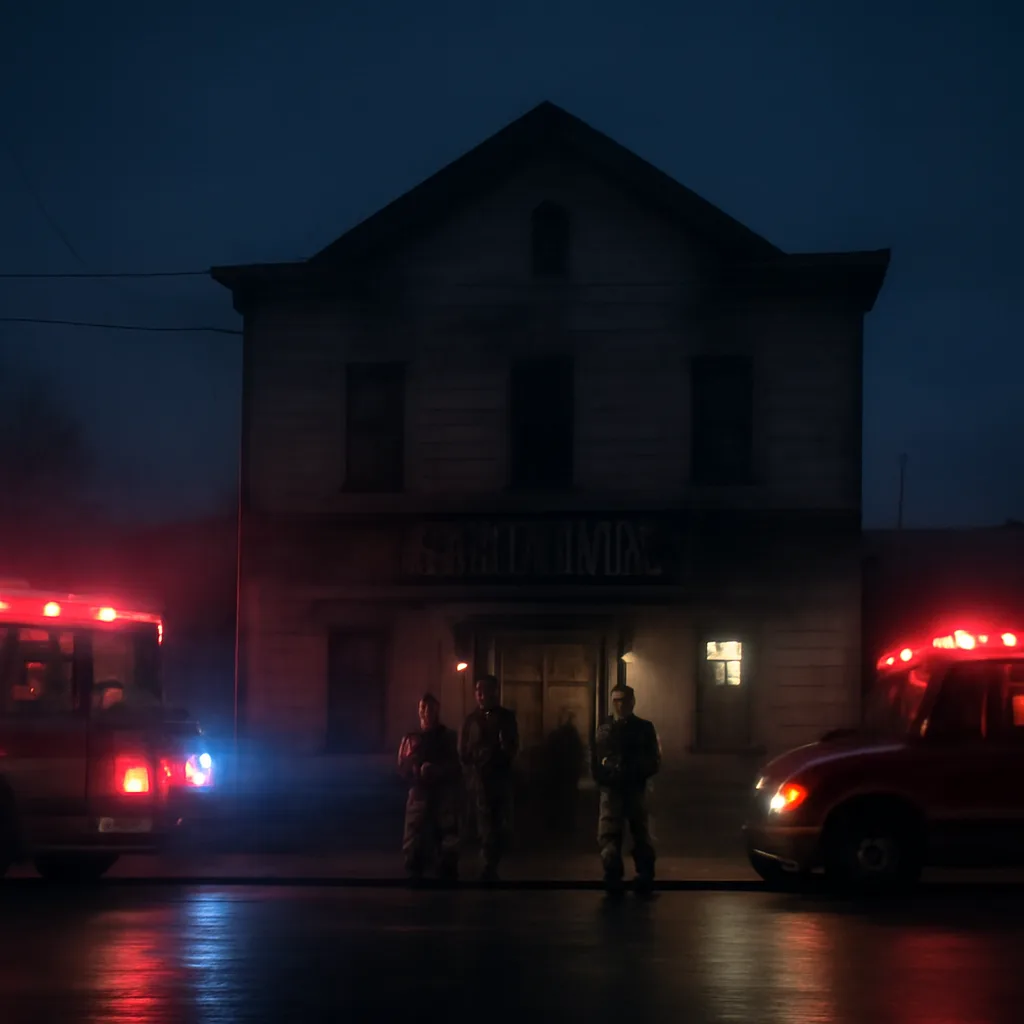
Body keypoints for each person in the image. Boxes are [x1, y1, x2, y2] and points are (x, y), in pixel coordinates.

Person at [592, 683, 661, 892]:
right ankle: (612, 873)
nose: (619, 705)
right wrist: (603, 778)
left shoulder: (644, 728)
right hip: (611, 789)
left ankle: (645, 873)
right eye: (615, 700)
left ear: (632, 702)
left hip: (634, 788)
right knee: (609, 834)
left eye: (623, 700)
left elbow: (653, 759)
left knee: (640, 832)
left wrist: (635, 772)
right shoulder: (604, 728)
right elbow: (596, 758)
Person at [397, 692, 462, 883]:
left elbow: (457, 764)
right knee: (414, 833)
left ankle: (447, 870)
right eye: (423, 708)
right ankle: (414, 869)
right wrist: (414, 769)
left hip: (443, 793)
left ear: (437, 710)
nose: (426, 712)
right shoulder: (412, 738)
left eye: (430, 708)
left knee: (446, 833)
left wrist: (439, 770)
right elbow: (402, 767)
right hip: (419, 792)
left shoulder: (448, 737)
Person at [460, 674, 519, 882]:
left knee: (498, 822)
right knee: (481, 822)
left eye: (484, 690)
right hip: (478, 781)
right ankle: (486, 862)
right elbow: (463, 751)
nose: (480, 695)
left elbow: (512, 747)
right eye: (477, 690)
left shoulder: (505, 717)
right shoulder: (471, 720)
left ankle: (492, 861)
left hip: (498, 779)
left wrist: (499, 751)